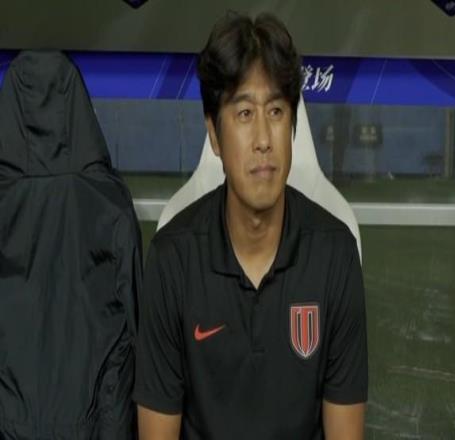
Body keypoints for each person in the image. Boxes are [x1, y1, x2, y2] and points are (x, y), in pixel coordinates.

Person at [133, 12, 368, 440]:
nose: (263, 139)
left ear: (292, 126)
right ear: (214, 134)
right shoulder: (172, 259)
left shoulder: (335, 254)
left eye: (276, 111)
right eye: (244, 113)